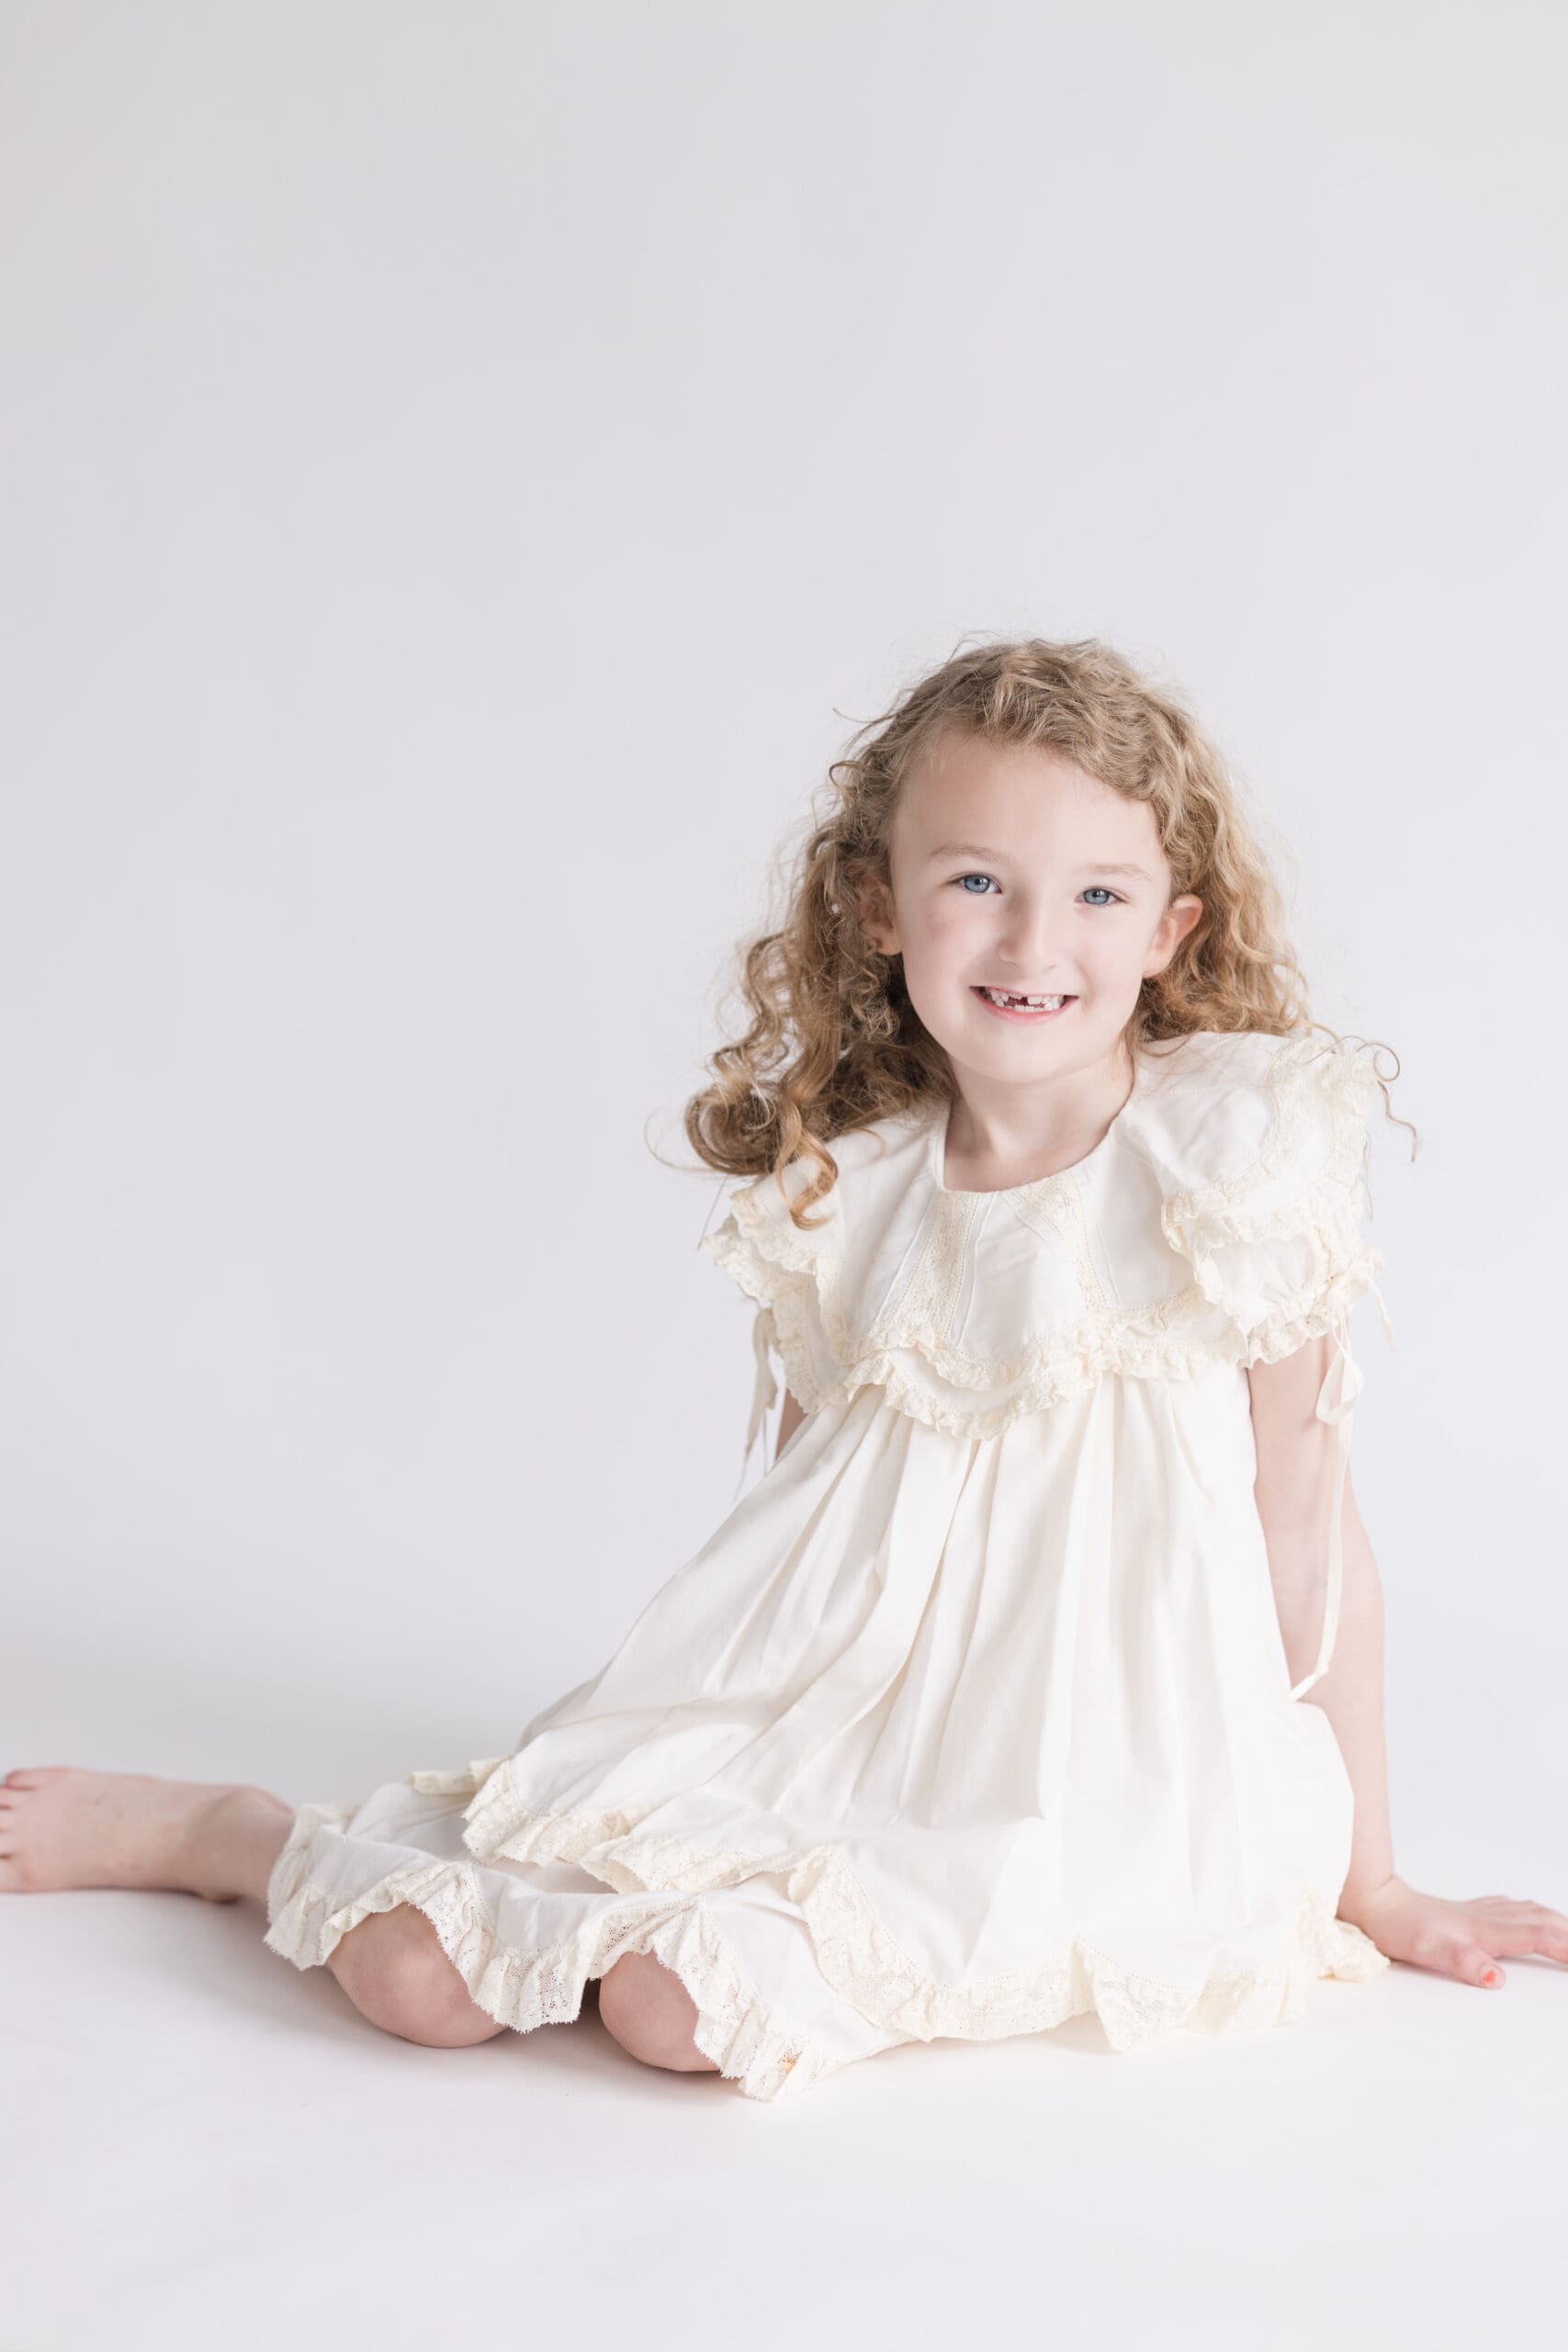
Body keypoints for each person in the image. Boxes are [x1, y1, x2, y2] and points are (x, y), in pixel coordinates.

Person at [6, 635, 1563, 2102]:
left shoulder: (1226, 1160)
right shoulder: (856, 1197)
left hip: (1096, 1772)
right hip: (837, 1722)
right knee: (424, 1979)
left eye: (1098, 894)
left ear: (1170, 934)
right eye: (977, 881)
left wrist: (1370, 1874)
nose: (1034, 943)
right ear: (881, 907)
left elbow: (1310, 1530)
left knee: (682, 2016)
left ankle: (657, 1903)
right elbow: (814, 1548)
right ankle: (237, 1835)